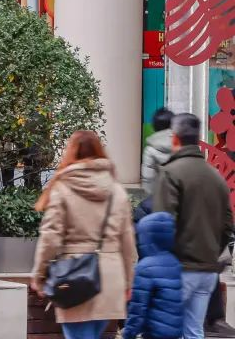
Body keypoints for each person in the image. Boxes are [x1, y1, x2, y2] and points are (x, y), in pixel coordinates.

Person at [30, 130, 137, 339]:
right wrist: (128, 282)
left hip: (74, 277)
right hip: (109, 280)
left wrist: (39, 275)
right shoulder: (117, 191)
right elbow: (127, 242)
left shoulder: (62, 188)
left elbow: (50, 237)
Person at [154, 113, 234, 339]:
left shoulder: (171, 173)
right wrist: (212, 250)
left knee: (167, 330)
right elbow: (227, 223)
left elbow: (162, 224)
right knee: (194, 330)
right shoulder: (215, 176)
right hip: (207, 269)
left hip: (179, 267)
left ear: (175, 138)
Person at [121, 212, 183, 339]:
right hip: (175, 332)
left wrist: (129, 333)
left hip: (154, 333)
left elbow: (138, 307)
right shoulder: (175, 262)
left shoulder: (145, 267)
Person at [141, 108, 174, 196]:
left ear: (154, 126)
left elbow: (148, 179)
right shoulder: (181, 146)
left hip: (159, 197)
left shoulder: (149, 150)